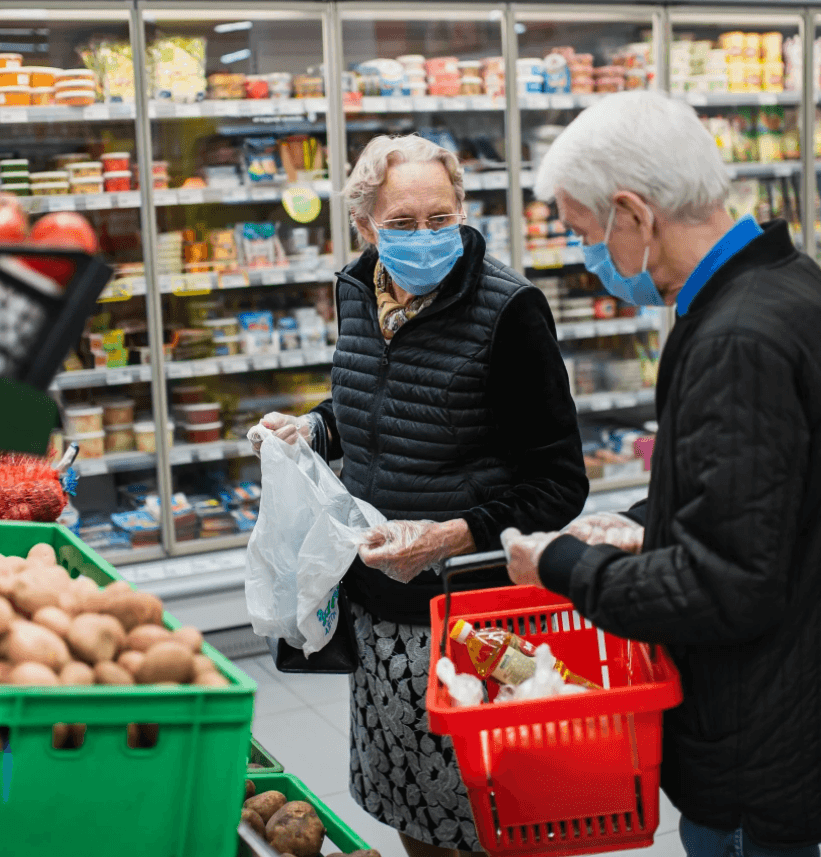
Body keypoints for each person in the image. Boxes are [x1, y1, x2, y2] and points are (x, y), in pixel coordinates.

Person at [502, 91, 821, 857]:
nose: (588, 257)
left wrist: (562, 564)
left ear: (633, 214)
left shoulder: (736, 337)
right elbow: (762, 495)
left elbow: (723, 586)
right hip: (799, 711)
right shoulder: (792, 285)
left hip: (749, 749)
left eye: (584, 233)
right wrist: (646, 524)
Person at [250, 134, 588, 857]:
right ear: (364, 225)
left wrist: (453, 533)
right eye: (402, 224)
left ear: (463, 210)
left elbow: (559, 483)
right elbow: (375, 407)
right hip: (381, 611)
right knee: (412, 812)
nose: (426, 238)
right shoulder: (358, 291)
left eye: (441, 218)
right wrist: (312, 427)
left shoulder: (510, 311)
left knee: (491, 817)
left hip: (477, 624)